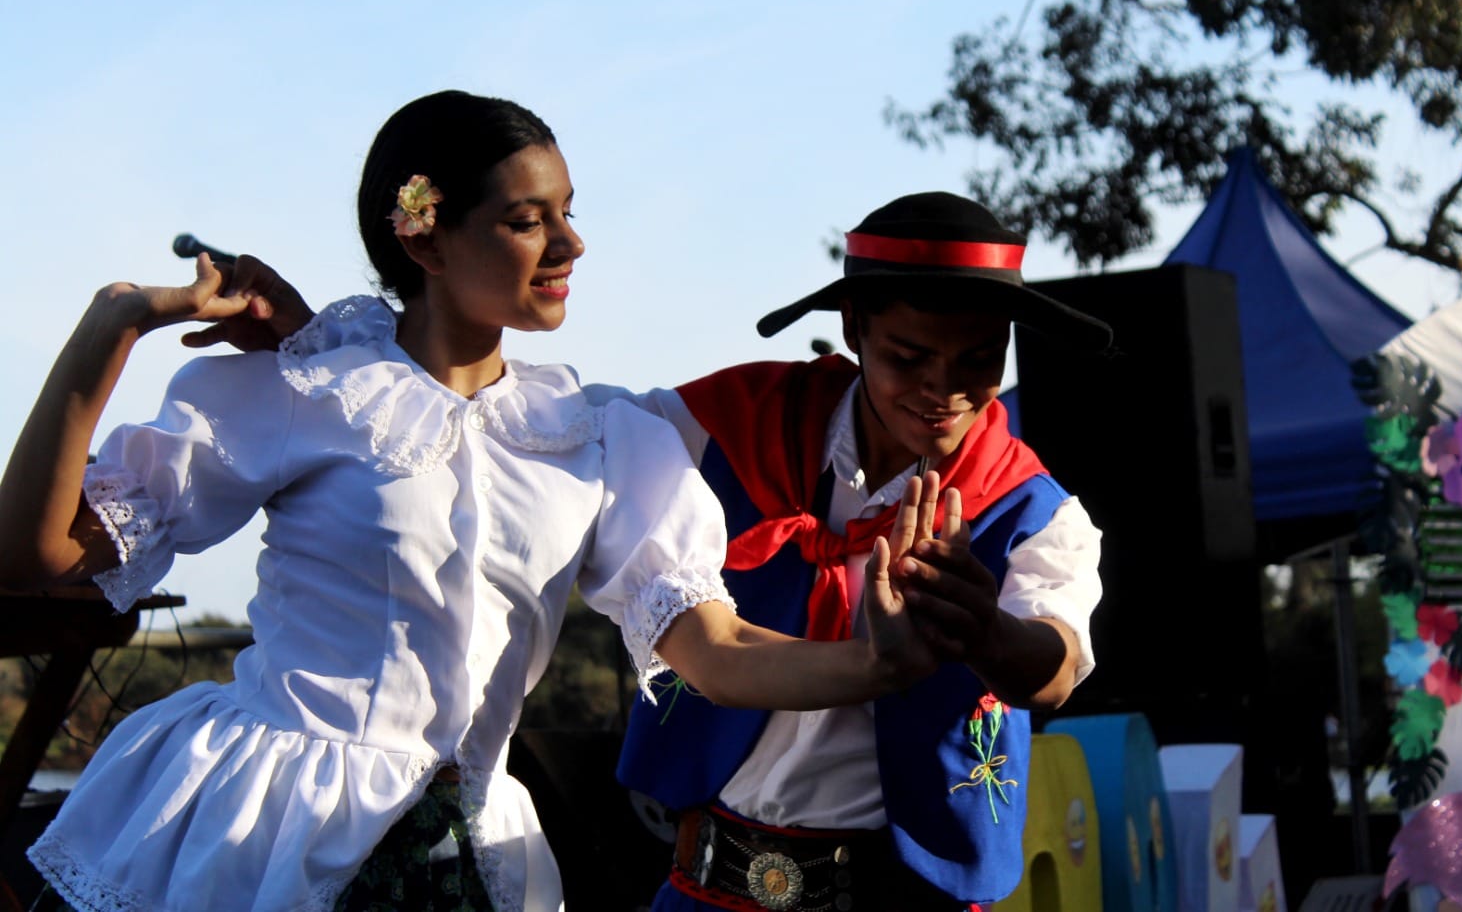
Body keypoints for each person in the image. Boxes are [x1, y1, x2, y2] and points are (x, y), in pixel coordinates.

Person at [0, 90, 950, 912]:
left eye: (568, 212)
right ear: (424, 233)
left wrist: (875, 662)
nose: (571, 243)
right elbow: (34, 553)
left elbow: (716, 647)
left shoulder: (593, 437)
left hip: (468, 852)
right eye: (529, 219)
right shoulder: (311, 391)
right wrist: (113, 327)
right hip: (269, 836)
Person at [587, 192, 1112, 911]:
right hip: (707, 890)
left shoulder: (1028, 509)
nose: (944, 389)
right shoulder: (725, 429)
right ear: (853, 327)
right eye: (908, 356)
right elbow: (561, 433)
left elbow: (1054, 668)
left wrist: (987, 632)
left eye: (979, 359)